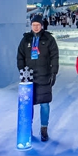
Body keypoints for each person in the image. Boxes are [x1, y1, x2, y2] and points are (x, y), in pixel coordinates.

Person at [17, 14, 59, 142]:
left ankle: (44, 129)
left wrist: (53, 73)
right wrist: (22, 71)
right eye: (33, 25)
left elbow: (54, 57)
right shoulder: (26, 39)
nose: (36, 27)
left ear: (42, 25)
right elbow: (20, 56)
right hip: (29, 77)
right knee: (29, 104)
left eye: (38, 25)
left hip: (44, 76)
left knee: (44, 104)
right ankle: (27, 128)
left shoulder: (49, 39)